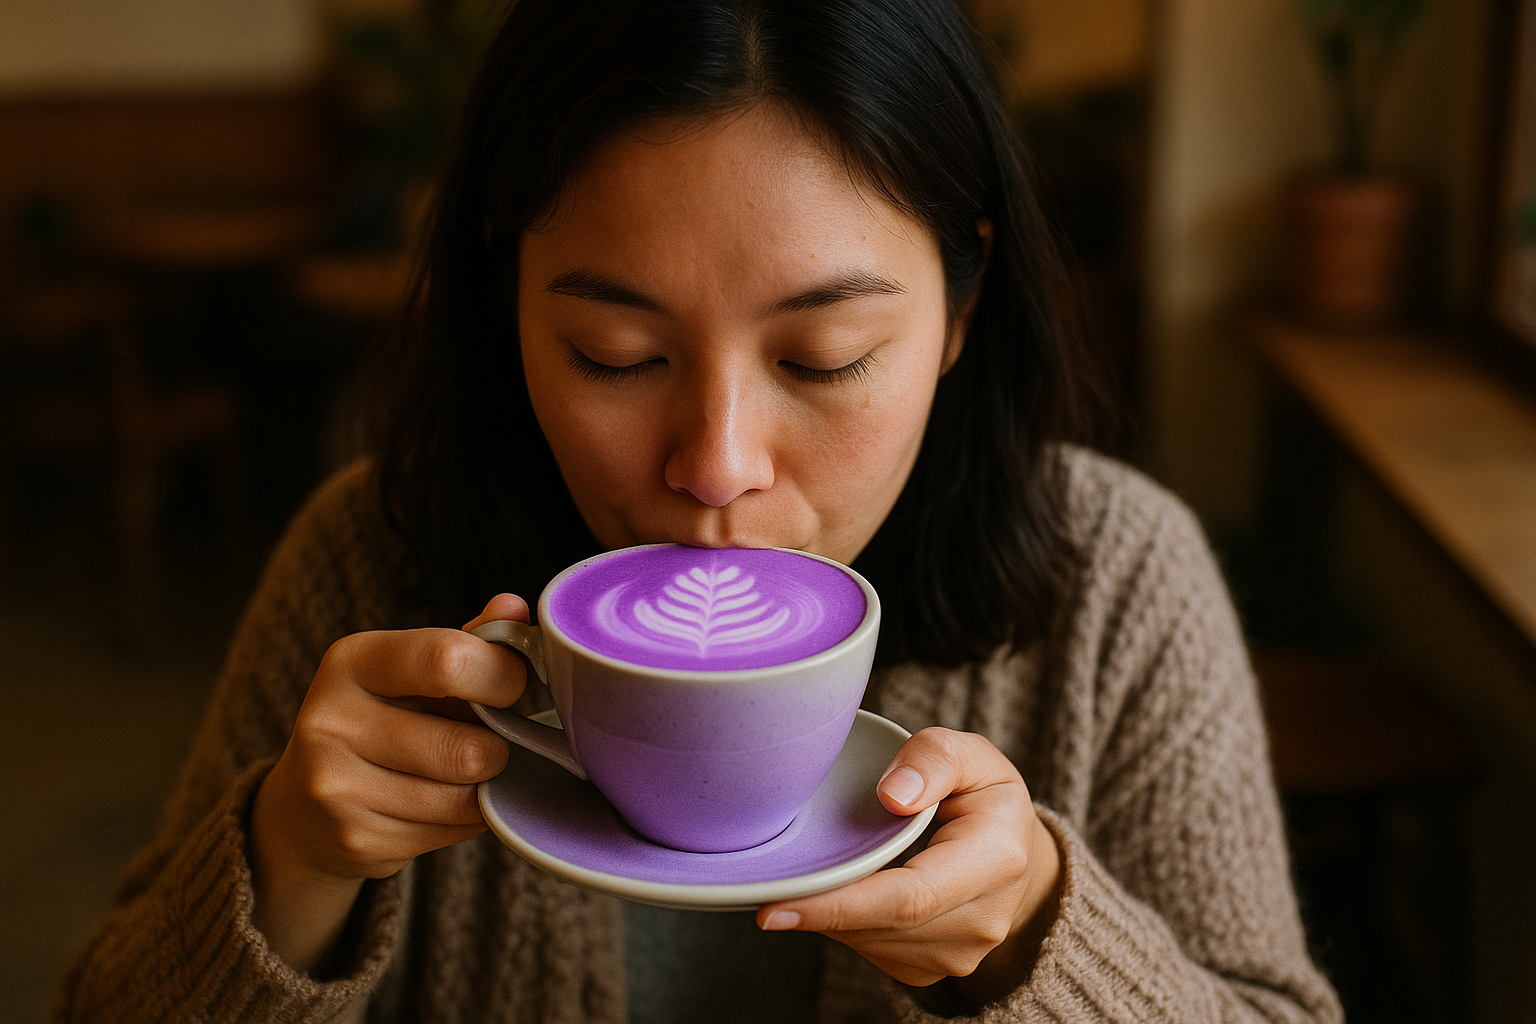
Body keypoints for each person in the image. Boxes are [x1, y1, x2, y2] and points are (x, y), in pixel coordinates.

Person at [55, 1, 1343, 1021]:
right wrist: (286, 864)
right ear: (508, 304)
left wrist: (1036, 937)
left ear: (961, 310)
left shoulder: (1119, 581)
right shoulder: (368, 563)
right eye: (615, 355)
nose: (717, 467)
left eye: (825, 358)